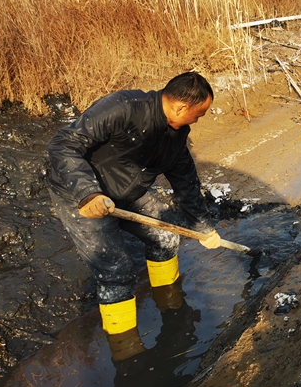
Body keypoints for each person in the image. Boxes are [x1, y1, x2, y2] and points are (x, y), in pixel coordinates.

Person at [47, 71, 221, 355]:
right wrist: (87, 193)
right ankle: (126, 351)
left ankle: (171, 305)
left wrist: (203, 227)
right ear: (181, 108)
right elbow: (64, 144)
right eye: (198, 114)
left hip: (126, 193)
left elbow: (186, 183)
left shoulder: (176, 135)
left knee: (165, 238)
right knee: (116, 271)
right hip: (80, 195)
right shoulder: (123, 107)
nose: (197, 121)